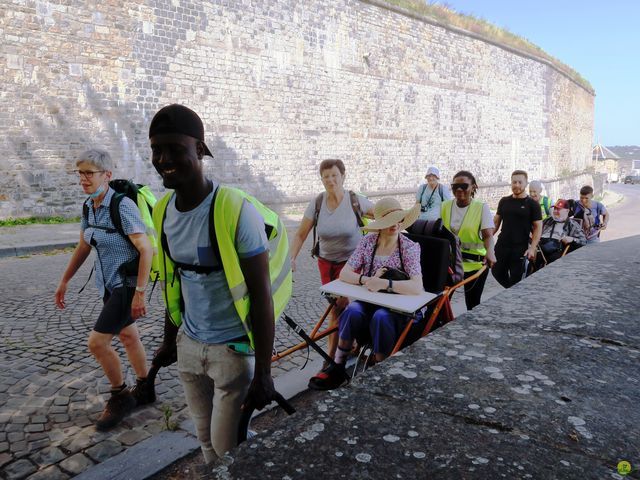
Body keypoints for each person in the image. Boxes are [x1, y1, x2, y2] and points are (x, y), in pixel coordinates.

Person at [148, 104, 290, 465]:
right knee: (206, 443)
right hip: (190, 346)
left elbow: (260, 298)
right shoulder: (162, 210)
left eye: (174, 149)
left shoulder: (235, 209)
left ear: (199, 150)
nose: (163, 159)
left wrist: (265, 372)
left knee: (223, 450)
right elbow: (173, 282)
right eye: (156, 150)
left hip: (231, 352)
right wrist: (169, 342)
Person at [55, 149, 153, 431]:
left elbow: (145, 249)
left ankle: (120, 395)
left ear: (107, 175)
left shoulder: (122, 206)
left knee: (97, 343)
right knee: (127, 335)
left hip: (127, 284)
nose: (83, 179)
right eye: (80, 173)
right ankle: (146, 387)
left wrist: (140, 292)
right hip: (109, 283)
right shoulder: (89, 206)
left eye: (89, 173)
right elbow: (84, 245)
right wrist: (64, 280)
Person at [309, 198, 422, 390]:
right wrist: (366, 280)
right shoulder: (368, 242)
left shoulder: (409, 247)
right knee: (352, 310)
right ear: (379, 225)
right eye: (389, 221)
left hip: (400, 307)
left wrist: (383, 283)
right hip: (371, 298)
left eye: (398, 219)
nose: (395, 225)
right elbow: (345, 273)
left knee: (381, 317)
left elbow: (417, 286)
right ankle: (338, 365)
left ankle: (380, 369)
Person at [288, 159, 374, 380]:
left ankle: (331, 360)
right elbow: (300, 234)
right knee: (336, 308)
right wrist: (292, 258)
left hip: (352, 264)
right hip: (325, 263)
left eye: (334, 175)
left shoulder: (355, 201)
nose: (330, 180)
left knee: (339, 308)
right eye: (326, 176)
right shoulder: (317, 203)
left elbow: (382, 218)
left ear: (343, 176)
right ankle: (349, 344)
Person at [441, 171, 496, 310]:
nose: (459, 190)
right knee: (442, 302)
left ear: (473, 187)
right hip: (451, 265)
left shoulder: (481, 208)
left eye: (464, 186)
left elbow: (488, 235)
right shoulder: (445, 206)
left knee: (472, 304)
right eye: (455, 186)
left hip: (475, 265)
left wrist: (490, 251)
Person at [492, 170, 542, 288]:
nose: (517, 185)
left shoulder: (532, 204)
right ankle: (511, 291)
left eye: (520, 182)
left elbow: (538, 227)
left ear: (526, 183)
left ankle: (512, 295)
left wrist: (533, 248)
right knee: (496, 272)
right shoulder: (504, 201)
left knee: (516, 278)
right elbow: (495, 223)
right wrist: (486, 239)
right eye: (514, 182)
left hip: (520, 248)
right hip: (502, 246)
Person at [535, 199, 586, 269]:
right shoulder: (547, 220)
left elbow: (583, 241)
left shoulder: (573, 225)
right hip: (540, 246)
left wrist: (572, 239)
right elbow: (535, 230)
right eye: (555, 208)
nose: (555, 211)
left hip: (556, 249)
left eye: (558, 209)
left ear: (567, 211)